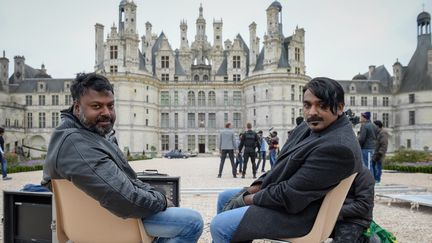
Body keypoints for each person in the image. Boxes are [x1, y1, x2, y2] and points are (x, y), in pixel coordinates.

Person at [42, 72, 203, 242]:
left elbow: (127, 181)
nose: (106, 113)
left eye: (110, 106)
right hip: (113, 225)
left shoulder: (89, 136)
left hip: (95, 224)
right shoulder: (78, 145)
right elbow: (126, 199)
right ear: (77, 107)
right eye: (96, 106)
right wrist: (161, 200)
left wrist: (153, 194)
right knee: (192, 222)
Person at [210, 77, 362, 242]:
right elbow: (279, 168)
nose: (312, 112)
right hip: (288, 202)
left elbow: (290, 195)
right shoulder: (311, 126)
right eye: (307, 105)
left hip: (299, 216)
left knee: (220, 224)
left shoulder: (338, 148)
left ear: (339, 108)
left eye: (322, 105)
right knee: (225, 197)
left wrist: (245, 199)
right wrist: (254, 189)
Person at [332, 165, 375, 243]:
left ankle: (364, 239)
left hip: (354, 219)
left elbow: (363, 206)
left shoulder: (363, 173)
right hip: (333, 216)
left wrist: (332, 211)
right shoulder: (330, 169)